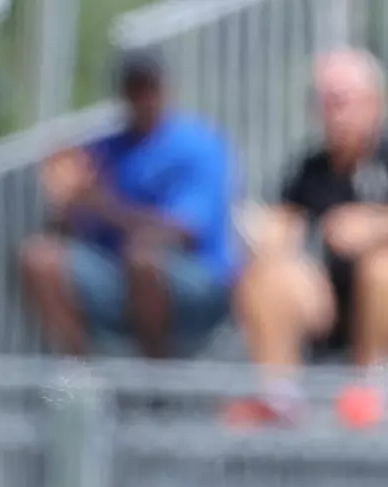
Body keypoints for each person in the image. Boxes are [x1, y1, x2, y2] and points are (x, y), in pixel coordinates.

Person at [227, 49, 388, 428]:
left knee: (387, 268)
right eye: (324, 102)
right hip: (330, 301)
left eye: (342, 100)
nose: (333, 112)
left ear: (374, 103)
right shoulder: (310, 167)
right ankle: (278, 396)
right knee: (266, 276)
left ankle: (374, 388)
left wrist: (376, 227)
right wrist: (268, 235)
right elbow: (285, 222)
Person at [19, 49, 240, 359]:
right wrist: (65, 200)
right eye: (133, 87)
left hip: (196, 282)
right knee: (39, 257)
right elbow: (66, 230)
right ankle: (80, 380)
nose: (141, 96)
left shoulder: (200, 144)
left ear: (164, 88)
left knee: (142, 257)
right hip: (117, 275)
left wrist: (100, 204)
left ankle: (153, 383)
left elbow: (181, 232)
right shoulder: (103, 149)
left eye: (148, 86)